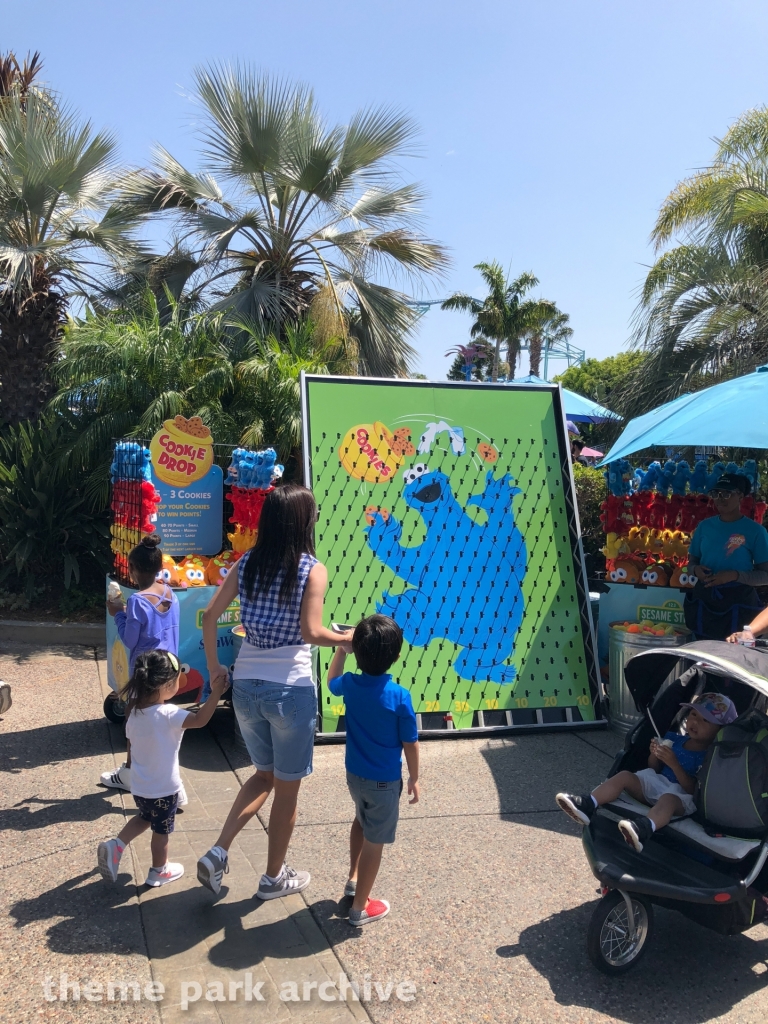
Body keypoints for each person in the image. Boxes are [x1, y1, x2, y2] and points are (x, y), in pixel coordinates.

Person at [196, 484, 354, 900]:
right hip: (290, 690)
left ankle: (218, 851)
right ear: (304, 522)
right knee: (286, 788)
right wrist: (347, 639)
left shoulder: (247, 562)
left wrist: (215, 669)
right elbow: (311, 632)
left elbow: (209, 617)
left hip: (245, 686)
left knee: (262, 776)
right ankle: (272, 878)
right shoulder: (312, 569)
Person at [97, 650, 229, 886]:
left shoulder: (133, 713)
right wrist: (216, 693)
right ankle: (159, 870)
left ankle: (116, 845)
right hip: (164, 790)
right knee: (162, 831)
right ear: (167, 684)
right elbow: (200, 720)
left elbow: (131, 743)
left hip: (140, 786)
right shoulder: (169, 713)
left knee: (144, 817)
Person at [327, 614, 420, 925]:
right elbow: (410, 743)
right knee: (375, 840)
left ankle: (354, 878)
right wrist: (415, 777)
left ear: (358, 651)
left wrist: (341, 649)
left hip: (355, 776)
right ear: (396, 656)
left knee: (361, 820)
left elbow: (331, 682)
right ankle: (359, 908)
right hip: (384, 782)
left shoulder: (350, 684)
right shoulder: (399, 696)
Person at [556, 692, 737, 851]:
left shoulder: (710, 757)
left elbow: (693, 790)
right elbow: (654, 769)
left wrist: (674, 764)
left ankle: (643, 829)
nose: (695, 722)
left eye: (705, 720)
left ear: (720, 730)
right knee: (625, 775)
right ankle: (588, 804)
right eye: (693, 714)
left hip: (680, 798)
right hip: (657, 783)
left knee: (668, 799)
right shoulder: (675, 739)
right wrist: (654, 754)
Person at [101, 535, 181, 795]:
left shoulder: (137, 601)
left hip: (145, 671)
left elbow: (129, 639)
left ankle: (129, 772)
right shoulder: (170, 592)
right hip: (168, 668)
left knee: (134, 719)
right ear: (160, 568)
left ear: (132, 569)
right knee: (162, 723)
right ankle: (168, 781)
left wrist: (118, 614)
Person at [684, 473, 768, 640]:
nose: (720, 499)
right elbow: (691, 563)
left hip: (738, 605)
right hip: (705, 601)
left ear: (741, 496)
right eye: (716, 493)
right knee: (700, 650)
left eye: (727, 493)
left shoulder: (756, 531)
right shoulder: (704, 527)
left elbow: (765, 576)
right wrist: (695, 570)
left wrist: (734, 576)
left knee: (732, 651)